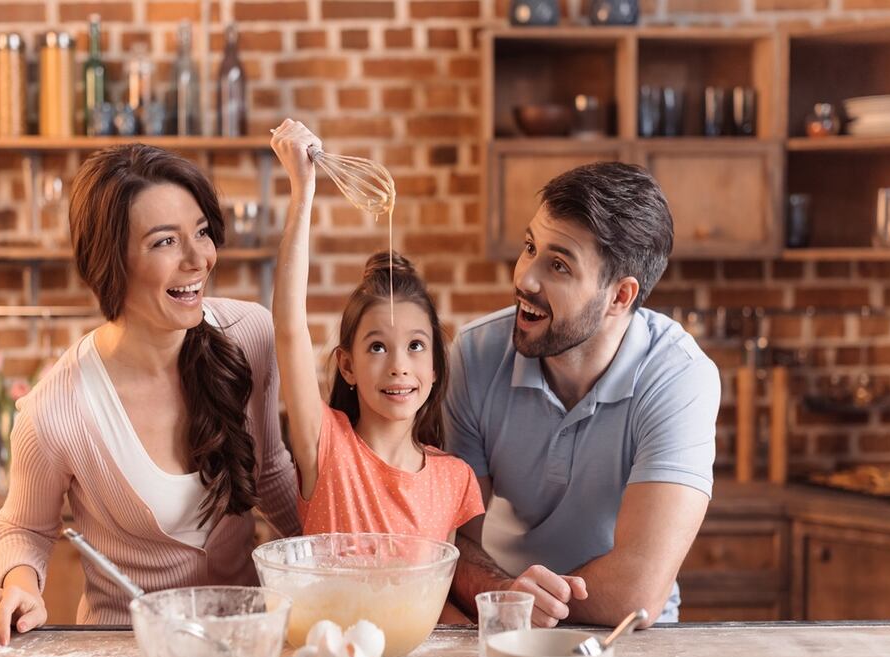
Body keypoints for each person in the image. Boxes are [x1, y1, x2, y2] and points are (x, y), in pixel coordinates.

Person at [0, 144, 301, 650]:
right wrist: (19, 587)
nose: (198, 259)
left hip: (243, 642)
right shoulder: (56, 410)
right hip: (124, 649)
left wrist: (332, 558)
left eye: (202, 232)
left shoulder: (249, 335)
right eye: (165, 241)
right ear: (110, 260)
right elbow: (25, 527)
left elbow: (271, 473)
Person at [445, 162, 719, 628]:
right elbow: (449, 543)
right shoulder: (474, 356)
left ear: (620, 296)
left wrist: (522, 602)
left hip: (624, 639)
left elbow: (637, 592)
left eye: (558, 265)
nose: (525, 280)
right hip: (505, 622)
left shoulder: (679, 378)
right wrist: (507, 595)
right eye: (529, 247)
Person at [269, 119, 483, 561]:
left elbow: (447, 591)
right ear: (347, 365)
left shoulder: (456, 478)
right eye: (377, 347)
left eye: (416, 346)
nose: (399, 366)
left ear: (436, 366)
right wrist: (302, 191)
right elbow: (289, 328)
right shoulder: (326, 445)